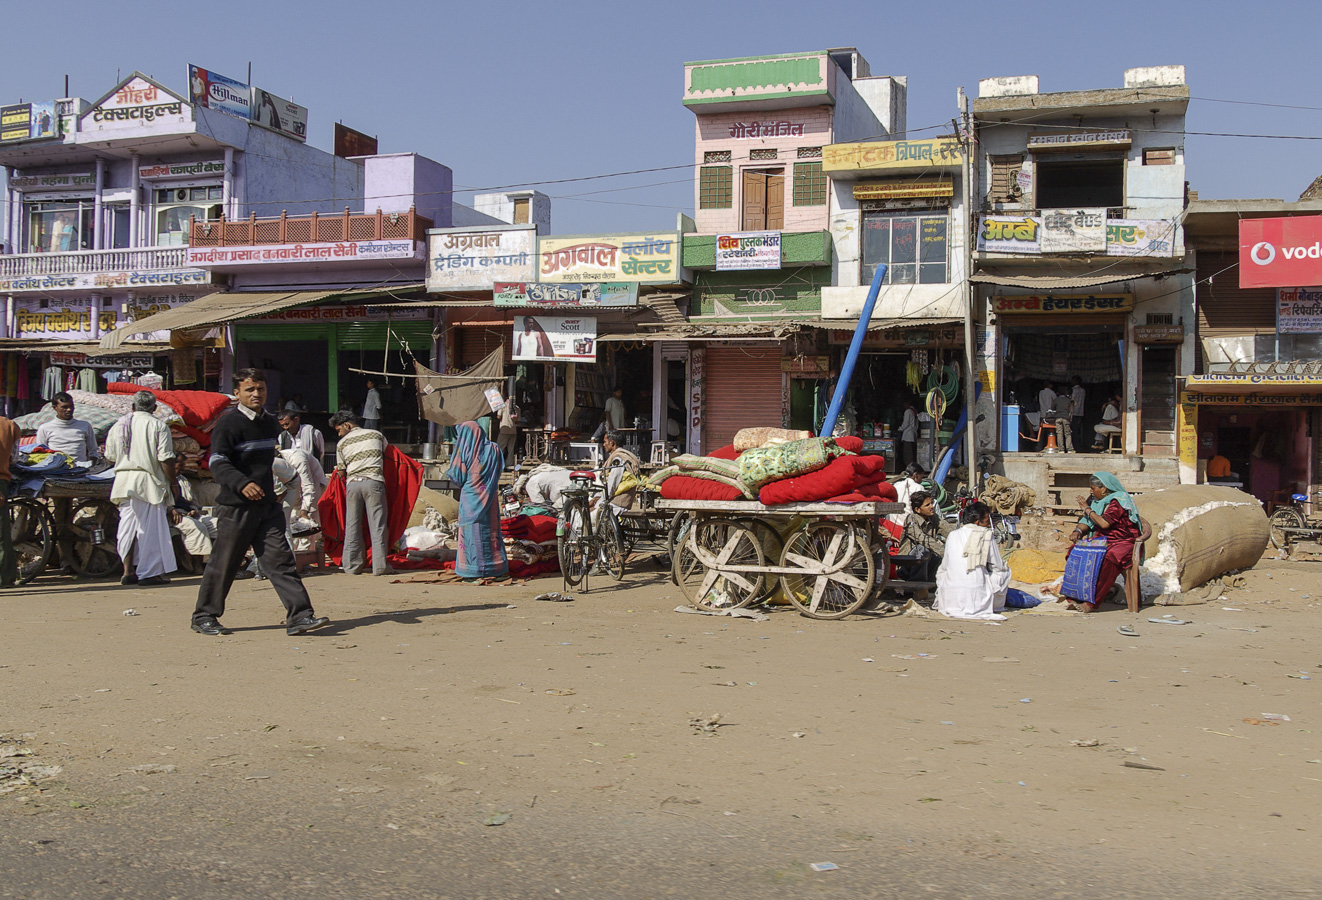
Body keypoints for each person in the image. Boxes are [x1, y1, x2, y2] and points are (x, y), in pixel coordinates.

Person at [191, 368, 329, 637]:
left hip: (267, 506)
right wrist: (242, 483)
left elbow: (267, 465)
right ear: (237, 393)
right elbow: (217, 463)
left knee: (281, 561)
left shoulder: (269, 424)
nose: (256, 394)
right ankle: (204, 616)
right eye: (249, 390)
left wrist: (271, 489)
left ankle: (300, 616)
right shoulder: (228, 424)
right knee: (225, 562)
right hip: (237, 507)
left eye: (261, 389)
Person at [105, 391, 177, 586]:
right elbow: (166, 459)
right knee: (150, 529)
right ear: (154, 408)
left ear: (133, 407)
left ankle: (128, 571)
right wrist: (173, 482)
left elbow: (110, 456)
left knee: (127, 527)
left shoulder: (118, 426)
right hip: (148, 482)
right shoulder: (158, 426)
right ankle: (148, 573)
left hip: (123, 481)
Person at [1063, 472, 1142, 613]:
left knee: (1107, 559)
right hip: (1103, 540)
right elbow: (1087, 521)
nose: (1091, 491)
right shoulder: (1096, 500)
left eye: (1093, 488)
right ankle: (1076, 596)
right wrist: (1078, 531)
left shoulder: (1119, 500)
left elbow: (1104, 523)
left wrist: (1086, 508)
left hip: (1123, 542)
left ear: (1104, 489)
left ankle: (1091, 603)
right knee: (1075, 551)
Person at [330, 411, 392, 576]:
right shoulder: (376, 435)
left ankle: (351, 566)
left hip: (353, 485)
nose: (339, 433)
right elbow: (389, 456)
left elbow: (341, 472)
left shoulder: (342, 444)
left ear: (347, 425)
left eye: (339, 430)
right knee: (377, 525)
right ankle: (380, 567)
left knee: (352, 525)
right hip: (374, 482)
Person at [445, 420, 508, 581]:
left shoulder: (464, 450)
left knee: (471, 534)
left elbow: (456, 475)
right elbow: (500, 468)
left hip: (469, 500)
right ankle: (496, 568)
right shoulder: (494, 449)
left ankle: (472, 572)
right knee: (491, 532)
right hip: (490, 498)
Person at [934, 501, 1011, 621]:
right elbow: (998, 566)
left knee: (943, 572)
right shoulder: (986, 534)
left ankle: (948, 601)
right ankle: (995, 606)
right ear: (977, 522)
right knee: (1005, 571)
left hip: (950, 600)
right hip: (976, 598)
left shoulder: (952, 535)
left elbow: (945, 567)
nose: (987, 525)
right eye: (986, 521)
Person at [165, 453, 217, 566]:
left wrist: (194, 510)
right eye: (181, 464)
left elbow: (193, 501)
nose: (184, 467)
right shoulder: (162, 480)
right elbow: (159, 501)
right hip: (173, 515)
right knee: (197, 526)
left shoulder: (183, 480)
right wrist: (171, 510)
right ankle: (197, 565)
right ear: (172, 464)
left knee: (217, 524)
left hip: (189, 513)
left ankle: (212, 561)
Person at [897, 489, 955, 581]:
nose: (932, 506)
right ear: (917, 510)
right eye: (927, 505)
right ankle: (917, 584)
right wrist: (945, 553)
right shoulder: (911, 520)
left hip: (927, 560)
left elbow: (949, 530)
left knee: (938, 556)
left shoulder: (933, 517)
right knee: (923, 550)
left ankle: (930, 585)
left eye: (931, 503)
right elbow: (924, 540)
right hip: (907, 564)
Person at [34, 392, 98, 461]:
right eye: (64, 407)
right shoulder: (45, 428)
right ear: (55, 407)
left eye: (71, 406)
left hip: (80, 468)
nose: (69, 409)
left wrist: (93, 463)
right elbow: (41, 453)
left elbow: (94, 451)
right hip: (56, 468)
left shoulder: (85, 426)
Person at [0, 414, 20, 588]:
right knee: (1, 532)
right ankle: (5, 577)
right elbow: (14, 458)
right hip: (2, 480)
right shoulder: (10, 426)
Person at [600, 431, 641, 512]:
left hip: (616, 503)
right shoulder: (619, 456)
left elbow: (612, 484)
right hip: (614, 500)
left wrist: (601, 500)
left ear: (612, 443)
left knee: (584, 517)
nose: (603, 445)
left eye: (605, 442)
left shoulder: (618, 459)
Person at [1050, 387, 1074, 452]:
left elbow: (1052, 408)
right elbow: (1071, 410)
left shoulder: (1056, 400)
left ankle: (1061, 449)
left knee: (1059, 433)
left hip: (1058, 418)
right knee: (1067, 434)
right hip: (1066, 418)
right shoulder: (1068, 400)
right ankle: (1069, 449)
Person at [898, 396, 919, 470]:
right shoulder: (914, 411)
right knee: (912, 454)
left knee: (908, 455)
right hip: (913, 434)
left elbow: (906, 423)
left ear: (906, 403)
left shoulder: (908, 411)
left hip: (908, 436)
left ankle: (910, 470)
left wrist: (899, 429)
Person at [1069, 376, 1086, 452]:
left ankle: (1074, 446)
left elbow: (1071, 401)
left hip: (1073, 412)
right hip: (1080, 412)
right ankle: (1079, 446)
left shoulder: (1074, 390)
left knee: (1073, 430)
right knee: (1078, 430)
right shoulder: (1083, 390)